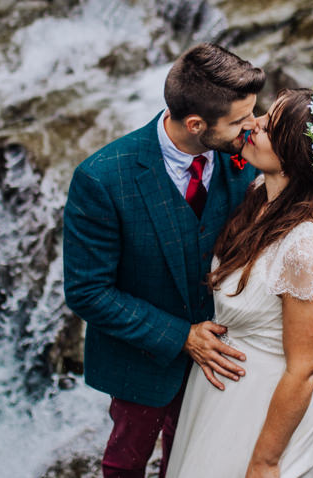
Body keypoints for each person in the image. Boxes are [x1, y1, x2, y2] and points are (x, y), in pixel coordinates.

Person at [62, 43, 265, 478]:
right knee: (126, 461)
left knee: (194, 457)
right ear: (196, 124)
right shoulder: (101, 178)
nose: (252, 125)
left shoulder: (244, 156)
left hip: (224, 356)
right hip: (143, 360)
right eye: (239, 119)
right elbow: (87, 291)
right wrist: (181, 337)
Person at [166, 84, 313, 478]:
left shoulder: (310, 247)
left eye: (268, 127)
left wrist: (266, 460)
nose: (252, 125)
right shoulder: (260, 193)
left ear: (294, 158)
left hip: (262, 410)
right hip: (221, 391)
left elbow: (305, 369)